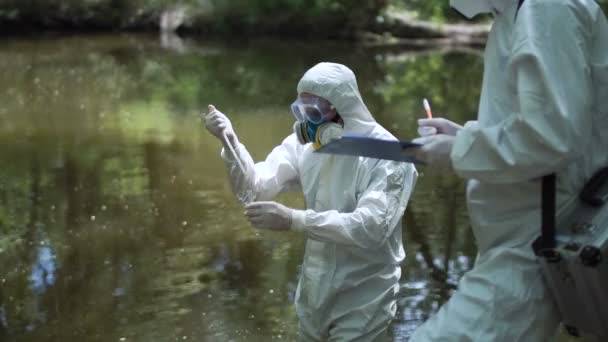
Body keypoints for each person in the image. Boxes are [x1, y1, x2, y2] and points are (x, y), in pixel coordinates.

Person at [405, 0, 608, 340]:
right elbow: (540, 124)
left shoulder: (546, 7)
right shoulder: (517, 13)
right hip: (529, 238)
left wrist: (460, 150)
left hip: (544, 237)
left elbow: (550, 138)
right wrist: (465, 135)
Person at [205, 62, 418, 341]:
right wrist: (230, 142)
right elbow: (255, 190)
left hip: (363, 298)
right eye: (300, 110)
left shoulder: (389, 156)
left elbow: (371, 228)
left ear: (342, 107)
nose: (306, 121)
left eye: (313, 111)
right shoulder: (307, 144)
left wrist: (294, 219)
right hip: (313, 294)